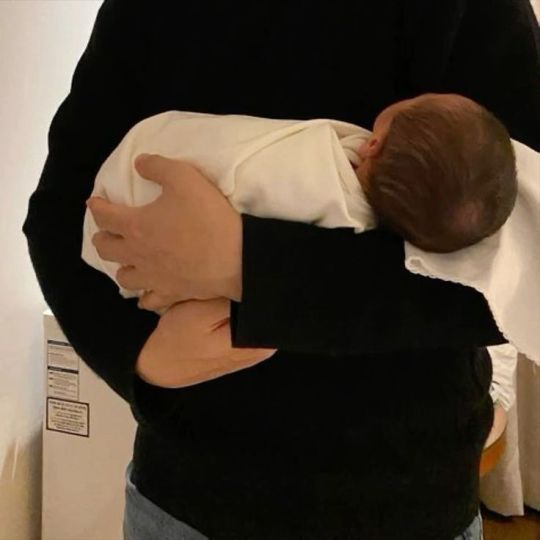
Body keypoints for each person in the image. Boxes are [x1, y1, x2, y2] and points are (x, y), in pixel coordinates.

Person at [22, 1, 540, 539]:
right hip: (183, 499)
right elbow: (57, 213)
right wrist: (136, 357)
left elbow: (518, 271)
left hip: (405, 503)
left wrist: (248, 265)